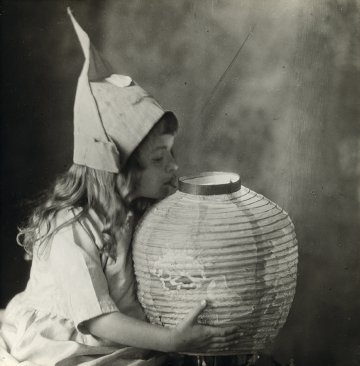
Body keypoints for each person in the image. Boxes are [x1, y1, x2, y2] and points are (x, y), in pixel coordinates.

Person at [0, 9, 240, 366]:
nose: (174, 167)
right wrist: (172, 341)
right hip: (72, 345)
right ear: (118, 171)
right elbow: (96, 317)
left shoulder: (139, 213)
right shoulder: (68, 229)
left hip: (125, 339)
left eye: (171, 153)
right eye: (159, 159)